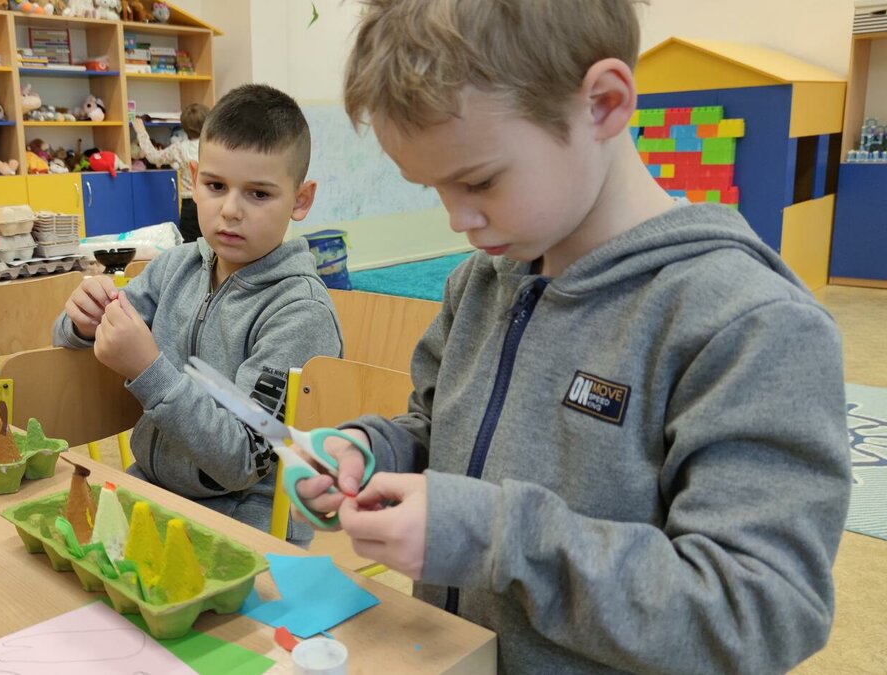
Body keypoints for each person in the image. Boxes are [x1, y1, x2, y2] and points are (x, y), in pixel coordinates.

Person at [296, 1, 851, 672]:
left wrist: (496, 536)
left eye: (479, 181)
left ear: (604, 104)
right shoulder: (481, 283)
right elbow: (441, 430)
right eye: (432, 186)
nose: (456, 218)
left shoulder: (750, 324)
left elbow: (759, 612)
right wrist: (372, 452)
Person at [55, 85, 341, 547]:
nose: (230, 210)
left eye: (259, 193)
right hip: (152, 492)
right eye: (215, 186)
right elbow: (65, 337)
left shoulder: (300, 313)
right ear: (193, 179)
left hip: (245, 528)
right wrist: (83, 322)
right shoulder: (175, 266)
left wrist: (147, 368)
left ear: (300, 200)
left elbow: (242, 460)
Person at [131, 103, 209, 242]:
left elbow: (154, 157)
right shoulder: (212, 146)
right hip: (210, 199)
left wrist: (141, 132)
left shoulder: (178, 148)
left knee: (190, 244)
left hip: (189, 203)